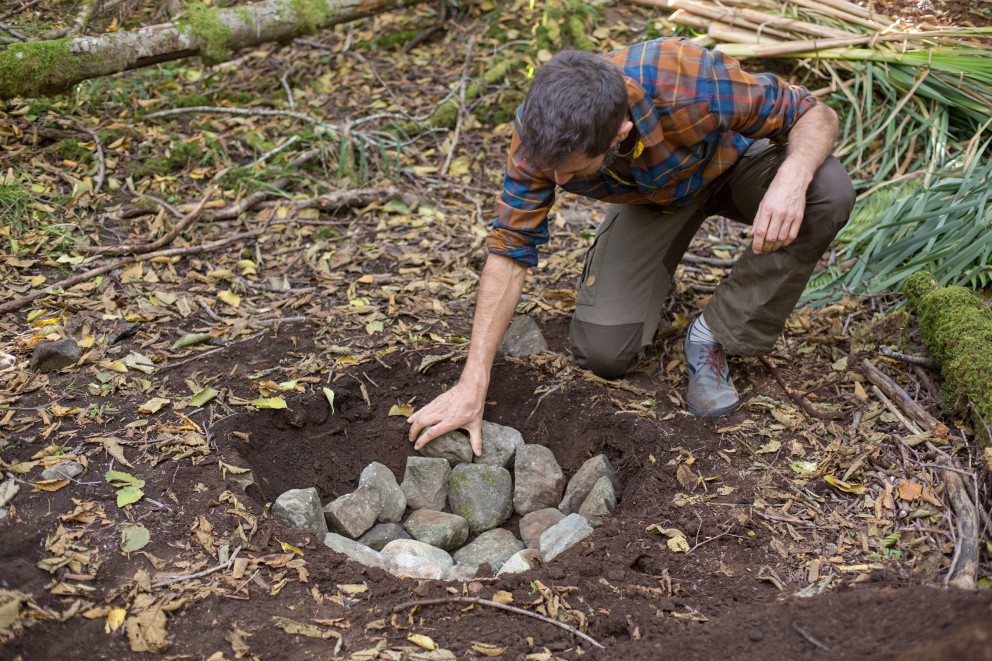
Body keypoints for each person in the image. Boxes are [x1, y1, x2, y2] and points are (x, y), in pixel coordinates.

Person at [408, 37, 855, 455]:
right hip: (653, 201)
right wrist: (473, 380)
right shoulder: (540, 128)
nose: (558, 182)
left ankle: (715, 334)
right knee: (604, 353)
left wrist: (792, 177)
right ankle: (649, 286)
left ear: (620, 131)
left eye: (572, 171)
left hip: (734, 165)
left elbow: (815, 113)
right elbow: (510, 248)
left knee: (827, 192)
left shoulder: (687, 79)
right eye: (552, 170)